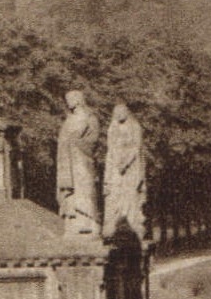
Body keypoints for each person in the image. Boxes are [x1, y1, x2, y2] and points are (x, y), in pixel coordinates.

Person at [55, 91, 102, 236]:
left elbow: (93, 140)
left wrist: (77, 143)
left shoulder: (89, 117)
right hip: (67, 163)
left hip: (81, 161)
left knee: (85, 190)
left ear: (79, 100)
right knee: (71, 194)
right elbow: (63, 140)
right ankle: (72, 223)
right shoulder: (69, 119)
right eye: (67, 99)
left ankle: (88, 223)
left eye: (71, 99)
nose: (68, 101)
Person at [103, 102, 147, 242]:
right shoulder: (113, 128)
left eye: (121, 112)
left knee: (130, 196)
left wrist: (125, 162)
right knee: (115, 195)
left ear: (127, 112)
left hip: (131, 168)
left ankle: (131, 223)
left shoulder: (135, 127)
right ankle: (114, 225)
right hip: (115, 167)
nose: (119, 115)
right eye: (116, 113)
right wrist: (115, 164)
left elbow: (136, 148)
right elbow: (110, 148)